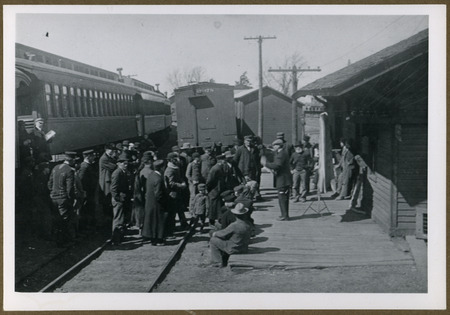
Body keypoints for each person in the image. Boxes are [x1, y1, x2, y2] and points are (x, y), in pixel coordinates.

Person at [209, 203, 253, 267]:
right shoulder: (248, 224)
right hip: (244, 248)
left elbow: (222, 234)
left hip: (233, 249)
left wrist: (214, 233)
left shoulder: (234, 225)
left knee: (213, 240)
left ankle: (217, 262)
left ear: (235, 214)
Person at [48, 151, 77, 247]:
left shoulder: (55, 168)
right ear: (71, 160)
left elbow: (49, 184)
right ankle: (61, 241)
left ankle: (55, 239)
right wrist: (71, 199)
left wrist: (53, 192)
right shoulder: (70, 170)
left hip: (53, 197)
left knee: (56, 219)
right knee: (64, 220)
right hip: (63, 198)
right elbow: (70, 188)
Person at [261, 139, 292, 221]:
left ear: (279, 146)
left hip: (283, 179)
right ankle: (284, 215)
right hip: (283, 179)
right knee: (283, 198)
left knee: (282, 198)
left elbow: (277, 166)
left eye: (274, 145)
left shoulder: (281, 154)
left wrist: (265, 164)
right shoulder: (280, 153)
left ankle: (285, 216)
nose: (273, 147)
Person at [142, 160, 167, 245]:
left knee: (152, 222)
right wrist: (164, 201)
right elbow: (158, 194)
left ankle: (153, 239)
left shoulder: (151, 175)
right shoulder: (158, 178)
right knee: (158, 222)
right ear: (162, 168)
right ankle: (158, 240)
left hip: (150, 203)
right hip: (157, 204)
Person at [164, 152, 188, 238]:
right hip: (173, 193)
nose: (178, 159)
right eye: (175, 158)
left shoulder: (175, 167)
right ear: (171, 160)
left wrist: (182, 181)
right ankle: (172, 228)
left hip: (178, 192)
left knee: (180, 209)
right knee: (173, 211)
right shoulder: (169, 170)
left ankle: (184, 223)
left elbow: (179, 177)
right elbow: (170, 183)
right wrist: (180, 185)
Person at [110, 152, 132, 245]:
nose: (126, 165)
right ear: (118, 163)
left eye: (127, 163)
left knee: (121, 219)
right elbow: (113, 188)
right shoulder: (117, 173)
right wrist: (118, 198)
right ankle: (115, 239)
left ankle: (120, 237)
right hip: (118, 200)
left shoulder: (123, 172)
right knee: (118, 219)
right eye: (124, 163)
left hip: (122, 198)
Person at [233, 135, 261, 199]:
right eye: (247, 141)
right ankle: (245, 198)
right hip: (243, 170)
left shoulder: (255, 149)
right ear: (244, 141)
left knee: (254, 184)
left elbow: (257, 159)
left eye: (250, 141)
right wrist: (236, 171)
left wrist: (258, 168)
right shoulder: (240, 149)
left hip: (253, 170)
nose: (249, 142)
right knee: (245, 185)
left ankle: (255, 195)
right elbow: (235, 161)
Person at [78, 149, 97, 230]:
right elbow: (81, 180)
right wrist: (84, 192)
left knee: (89, 210)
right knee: (85, 210)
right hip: (87, 193)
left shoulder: (88, 165)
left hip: (90, 192)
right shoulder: (84, 166)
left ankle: (88, 227)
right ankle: (84, 228)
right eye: (92, 156)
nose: (94, 157)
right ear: (88, 156)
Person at [206, 153, 226, 226]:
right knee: (213, 206)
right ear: (220, 160)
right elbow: (209, 180)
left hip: (218, 190)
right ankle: (211, 221)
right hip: (214, 190)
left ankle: (218, 220)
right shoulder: (215, 168)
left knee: (217, 206)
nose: (225, 161)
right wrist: (208, 189)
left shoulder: (220, 167)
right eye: (224, 160)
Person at [99, 143, 117, 223]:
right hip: (105, 183)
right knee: (106, 199)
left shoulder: (108, 157)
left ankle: (108, 218)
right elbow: (113, 167)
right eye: (111, 150)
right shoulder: (104, 159)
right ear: (106, 150)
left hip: (108, 181)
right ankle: (107, 218)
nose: (112, 151)